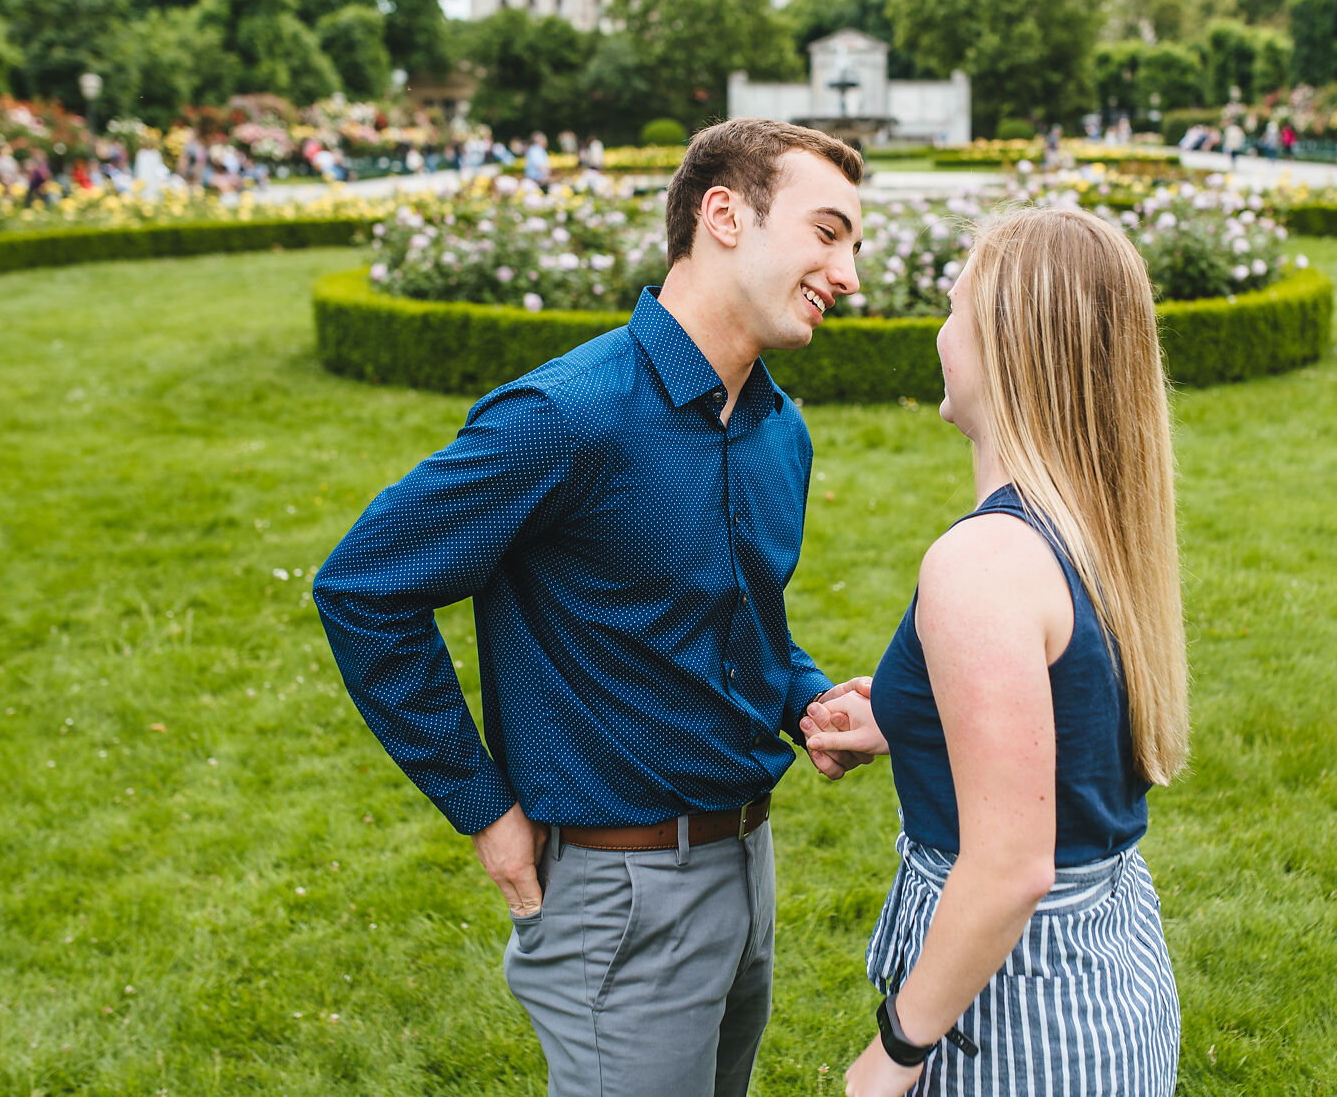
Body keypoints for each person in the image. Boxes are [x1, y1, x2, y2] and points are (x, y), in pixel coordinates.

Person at [314, 119, 884, 1097]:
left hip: (747, 866)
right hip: (620, 894)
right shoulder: (563, 417)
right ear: (723, 217)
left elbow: (735, 618)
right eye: (827, 232)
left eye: (853, 246)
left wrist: (803, 701)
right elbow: (365, 586)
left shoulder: (776, 429)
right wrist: (480, 802)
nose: (848, 274)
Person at [806, 206, 1186, 1097]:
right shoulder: (1095, 527)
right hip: (1108, 970)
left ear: (1006, 342)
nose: (941, 334)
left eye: (953, 308)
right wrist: (907, 717)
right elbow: (1068, 714)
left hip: (1017, 1014)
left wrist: (890, 1056)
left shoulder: (982, 562)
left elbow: (1011, 866)